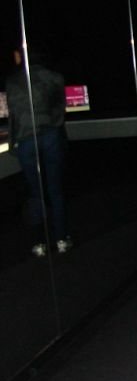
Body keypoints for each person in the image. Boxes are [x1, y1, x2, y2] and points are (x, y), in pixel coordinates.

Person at [5, 43, 71, 257]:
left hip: (26, 139)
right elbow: (60, 109)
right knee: (55, 189)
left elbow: (14, 116)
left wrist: (13, 142)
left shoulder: (13, 81)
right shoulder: (54, 77)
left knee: (35, 193)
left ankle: (40, 243)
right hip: (50, 135)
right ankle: (61, 239)